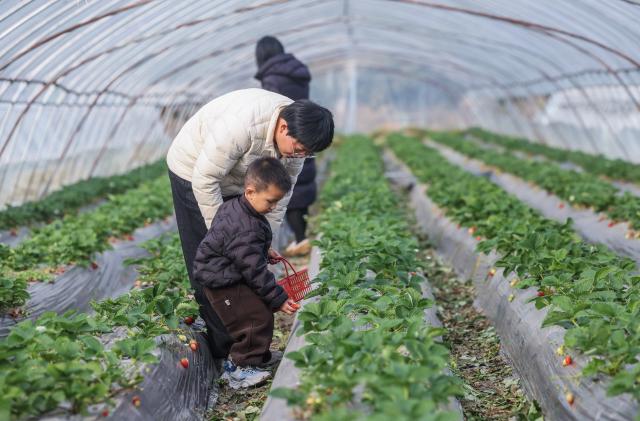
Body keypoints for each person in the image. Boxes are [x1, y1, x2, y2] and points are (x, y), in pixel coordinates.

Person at [166, 88, 333, 358]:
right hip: (194, 171)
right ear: (283, 127)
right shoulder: (242, 125)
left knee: (245, 251)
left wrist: (264, 241)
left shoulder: (296, 148)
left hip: (240, 178)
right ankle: (226, 350)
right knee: (212, 260)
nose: (300, 155)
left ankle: (246, 336)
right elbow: (205, 180)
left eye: (308, 153)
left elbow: (281, 197)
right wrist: (224, 234)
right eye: (300, 148)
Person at [193, 158, 300, 388]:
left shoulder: (240, 208)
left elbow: (244, 251)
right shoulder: (244, 225)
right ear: (250, 191)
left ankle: (257, 358)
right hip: (222, 283)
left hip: (228, 275)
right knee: (254, 319)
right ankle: (239, 369)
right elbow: (254, 270)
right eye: (270, 201)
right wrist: (279, 299)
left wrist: (264, 250)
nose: (272, 207)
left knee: (259, 312)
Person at [255, 36, 316, 256]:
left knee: (286, 188)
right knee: (300, 185)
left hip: (286, 138)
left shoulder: (273, 78)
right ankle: (301, 237)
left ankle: (298, 240)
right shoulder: (298, 73)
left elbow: (272, 110)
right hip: (303, 134)